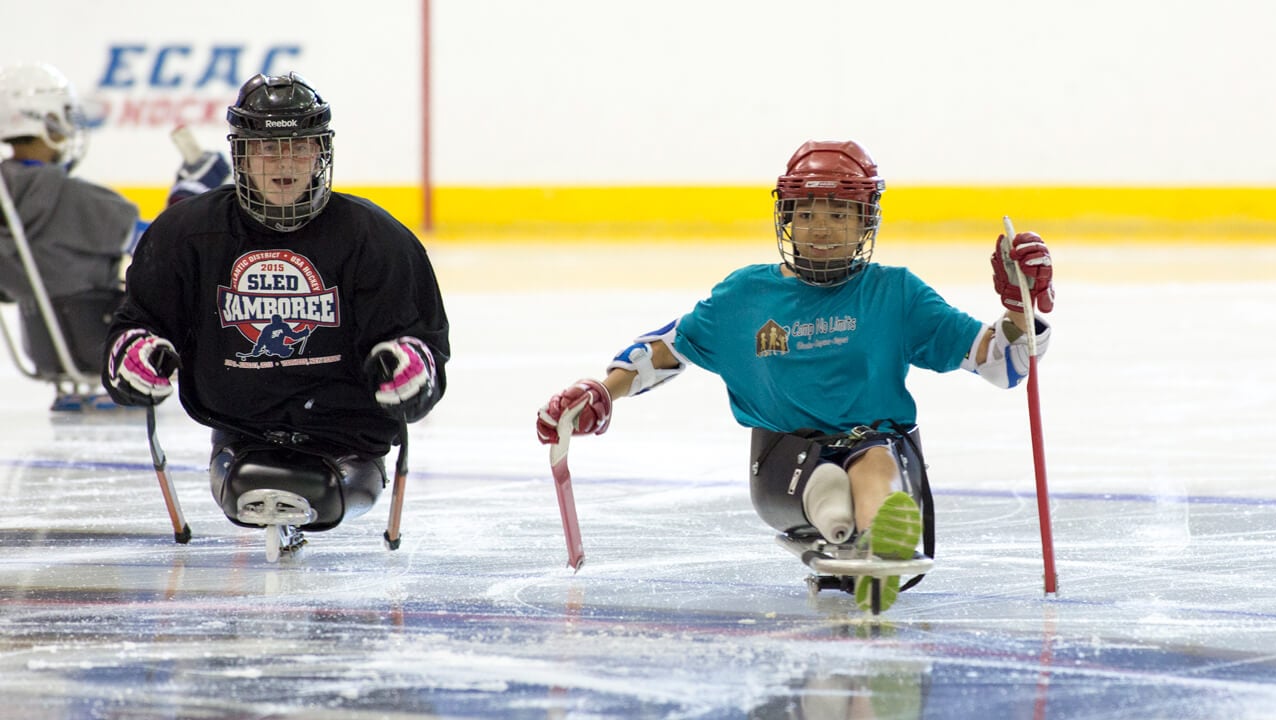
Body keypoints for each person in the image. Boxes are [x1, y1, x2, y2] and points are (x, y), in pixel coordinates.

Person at [535, 139, 1053, 612]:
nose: (821, 226)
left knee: (873, 460)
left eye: (839, 212)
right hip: (783, 463)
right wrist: (604, 390)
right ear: (787, 218)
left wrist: (1020, 311)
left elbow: (999, 362)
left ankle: (879, 537)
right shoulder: (744, 298)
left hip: (883, 448)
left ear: (865, 220)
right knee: (827, 479)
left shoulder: (897, 295)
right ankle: (846, 530)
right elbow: (666, 349)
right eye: (806, 212)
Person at [101, 72, 450, 557]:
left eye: (299, 146)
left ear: (320, 154)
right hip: (242, 428)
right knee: (253, 481)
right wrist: (135, 354)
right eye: (268, 148)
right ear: (241, 156)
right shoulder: (186, 234)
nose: (284, 161)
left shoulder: (376, 239)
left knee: (323, 492)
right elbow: (140, 319)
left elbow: (418, 337)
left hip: (346, 431)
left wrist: (412, 367)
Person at [0, 62, 140, 411]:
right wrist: (188, 195)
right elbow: (146, 235)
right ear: (46, 122)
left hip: (45, 350)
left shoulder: (8, 190)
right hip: (96, 339)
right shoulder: (61, 193)